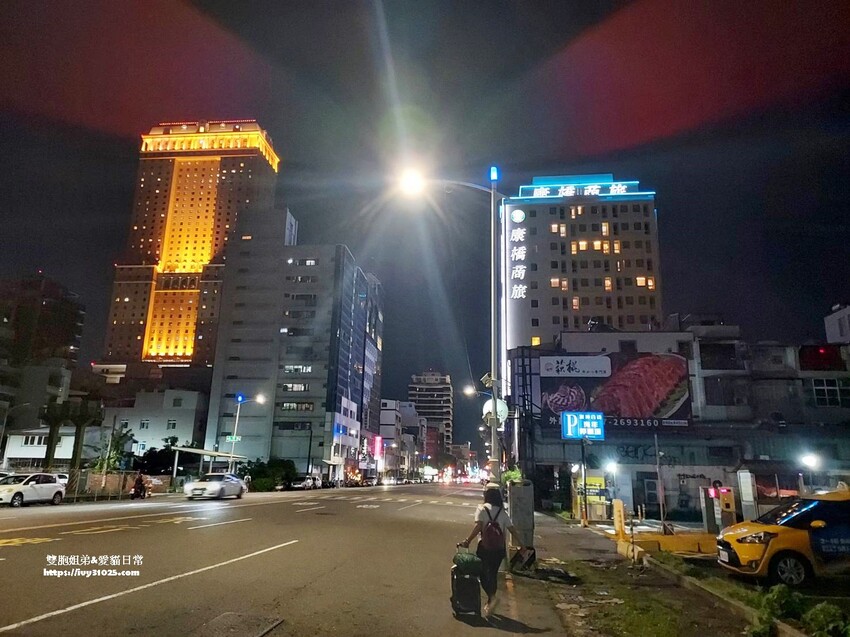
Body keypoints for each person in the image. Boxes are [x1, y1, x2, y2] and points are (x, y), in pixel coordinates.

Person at [459, 483, 530, 617]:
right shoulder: (502, 512)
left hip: (484, 548)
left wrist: (468, 541)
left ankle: (492, 597)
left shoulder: (482, 509)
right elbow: (512, 529)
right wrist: (522, 545)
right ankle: (490, 602)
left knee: (482, 573)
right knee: (493, 574)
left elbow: (478, 527)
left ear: (486, 497)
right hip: (499, 549)